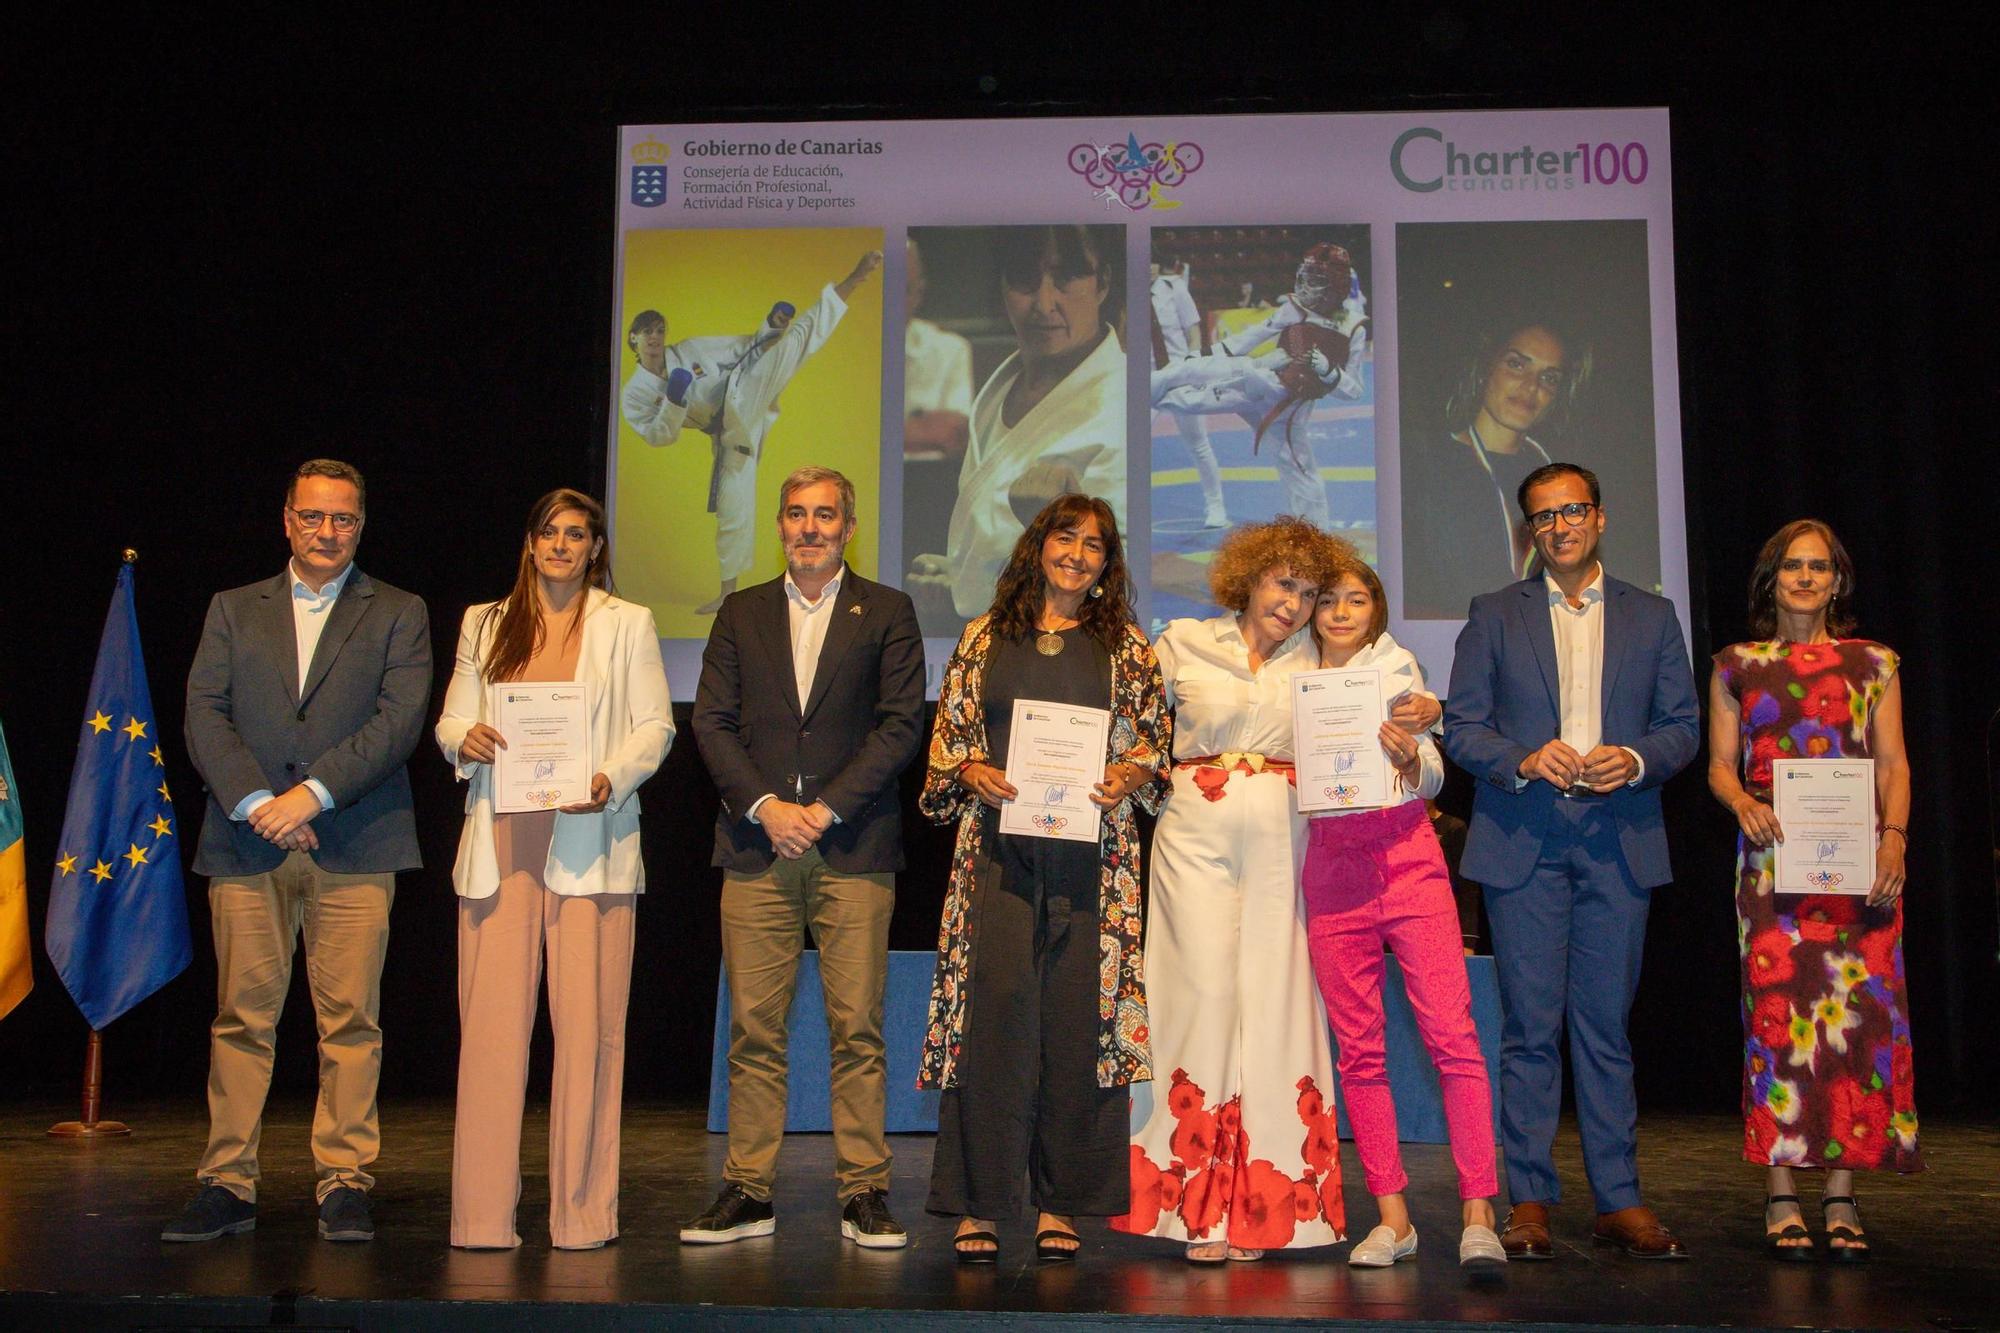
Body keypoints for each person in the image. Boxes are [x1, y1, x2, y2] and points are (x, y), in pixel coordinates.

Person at [166, 459, 431, 1244]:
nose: (327, 532)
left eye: (343, 519)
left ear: (361, 524)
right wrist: (259, 804)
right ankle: (226, 1181)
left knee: (351, 1021)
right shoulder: (231, 608)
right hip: (246, 840)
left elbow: (399, 720)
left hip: (357, 840)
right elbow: (203, 715)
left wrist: (308, 797)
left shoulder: (400, 610)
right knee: (240, 1020)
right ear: (287, 519)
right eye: (313, 516)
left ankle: (345, 1178)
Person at [1443, 461, 1700, 1261]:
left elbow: (1684, 725)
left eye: (1574, 510)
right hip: (1527, 840)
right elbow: (1462, 727)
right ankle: (1530, 1199)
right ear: (1530, 530)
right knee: (1526, 1030)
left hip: (1617, 840)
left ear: (1600, 517)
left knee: (1605, 1030)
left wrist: (1635, 755)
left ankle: (1618, 1198)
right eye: (1544, 516)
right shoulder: (1493, 613)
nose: (1560, 526)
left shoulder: (1652, 615)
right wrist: (1522, 757)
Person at [918, 494, 1168, 1264]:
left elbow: (1155, 746)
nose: (1079, 554)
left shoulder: (1127, 646)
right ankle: (981, 1201)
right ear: (1039, 546)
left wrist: (1130, 768)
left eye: (1096, 545)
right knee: (991, 1021)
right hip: (995, 852)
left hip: (1095, 858)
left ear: (1107, 564)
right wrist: (971, 767)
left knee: (1076, 1024)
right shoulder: (983, 637)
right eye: (1067, 538)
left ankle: (1063, 1201)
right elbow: (948, 742)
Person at [686, 466, 926, 1249]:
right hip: (757, 846)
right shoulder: (740, 611)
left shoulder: (887, 610)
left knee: (857, 1028)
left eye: (826, 514)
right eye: (797, 514)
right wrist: (767, 807)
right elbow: (713, 723)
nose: (810, 527)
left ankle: (865, 1190)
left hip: (853, 847)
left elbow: (899, 727)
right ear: (780, 524)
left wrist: (821, 810)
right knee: (755, 1030)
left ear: (849, 526)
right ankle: (748, 1189)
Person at [434, 488, 674, 1250]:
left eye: (577, 534)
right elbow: (450, 716)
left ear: (595, 547)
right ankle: (479, 1218)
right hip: (502, 844)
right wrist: (461, 738)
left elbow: (656, 725)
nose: (563, 546)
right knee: (491, 1038)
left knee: (590, 1037)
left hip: (591, 846)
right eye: (550, 532)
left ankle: (580, 1215)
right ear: (530, 542)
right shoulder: (484, 619)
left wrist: (610, 776)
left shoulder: (626, 622)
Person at [1111, 518, 1348, 1262]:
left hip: (1285, 836)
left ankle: (1263, 1210)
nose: (1295, 603)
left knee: (1277, 1005)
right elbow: (1134, 733)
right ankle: (1189, 1209)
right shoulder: (1183, 640)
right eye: (1284, 584)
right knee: (1200, 997)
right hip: (1193, 837)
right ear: (1247, 578)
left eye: (1309, 592)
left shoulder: (1324, 659)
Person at [1706, 519, 1919, 1261]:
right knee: (1777, 1025)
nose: (1804, 577)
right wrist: (1741, 803)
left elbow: (1893, 762)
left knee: (1854, 1030)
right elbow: (1720, 767)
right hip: (1772, 864)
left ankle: (1840, 1195)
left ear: (1837, 579)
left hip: (1858, 867)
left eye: (1818, 566)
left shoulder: (1875, 662)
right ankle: (1781, 1195)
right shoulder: (1737, 663)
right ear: (1771, 579)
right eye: (1791, 566)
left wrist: (1894, 836)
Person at [1297, 558, 1504, 1268]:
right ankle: (1393, 1216)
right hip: (1331, 866)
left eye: (1357, 598)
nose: (1342, 611)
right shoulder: (1290, 677)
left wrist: (1413, 758)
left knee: (1454, 1034)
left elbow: (1437, 775)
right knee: (1359, 1049)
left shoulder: (1400, 669)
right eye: (1328, 599)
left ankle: (1479, 1209)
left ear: (1376, 608)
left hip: (1408, 857)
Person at [621, 250, 883, 614]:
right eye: (646, 332)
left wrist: (770, 328)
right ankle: (728, 596)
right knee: (733, 508)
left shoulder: (690, 350)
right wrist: (674, 401)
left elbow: (744, 351)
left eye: (659, 330)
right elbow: (659, 436)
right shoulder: (634, 394)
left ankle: (853, 280)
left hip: (745, 391)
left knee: (792, 344)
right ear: (632, 340)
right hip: (729, 434)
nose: (654, 337)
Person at [907, 225, 1126, 629]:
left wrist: (1052, 531)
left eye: (1067, 277)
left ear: (1103, 283)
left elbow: (1120, 591)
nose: (1044, 303)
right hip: (988, 633)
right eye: (1024, 280)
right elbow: (995, 536)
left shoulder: (1120, 407)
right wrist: (964, 580)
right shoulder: (1000, 388)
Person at [1150, 242, 1369, 529]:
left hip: (1286, 406)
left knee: (1299, 471)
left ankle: (1316, 535)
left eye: (1315, 279)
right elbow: (1252, 336)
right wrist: (1205, 352)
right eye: (1304, 276)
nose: (1305, 285)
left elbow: (1354, 391)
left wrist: (1328, 372)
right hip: (1260, 376)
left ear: (1336, 285)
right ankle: (1145, 387)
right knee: (1191, 383)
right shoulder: (1295, 307)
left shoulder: (1353, 327)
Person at [1402, 323, 1588, 619]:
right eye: (1517, 364)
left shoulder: (1558, 478)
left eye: (1549, 378)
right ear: (1485, 367)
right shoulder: (1425, 469)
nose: (1531, 387)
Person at [1148, 252, 1227, 528]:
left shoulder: (1174, 287)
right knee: (1130, 446)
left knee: (1198, 443)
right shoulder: (1130, 294)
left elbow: (1193, 331)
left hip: (1179, 373)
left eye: (1153, 261)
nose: (1149, 268)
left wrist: (1194, 367)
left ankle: (1216, 507)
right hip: (1145, 380)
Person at [903, 236, 974, 461]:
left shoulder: (951, 350)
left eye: (903, 290)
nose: (889, 302)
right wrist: (921, 427)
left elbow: (954, 435)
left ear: (919, 294)